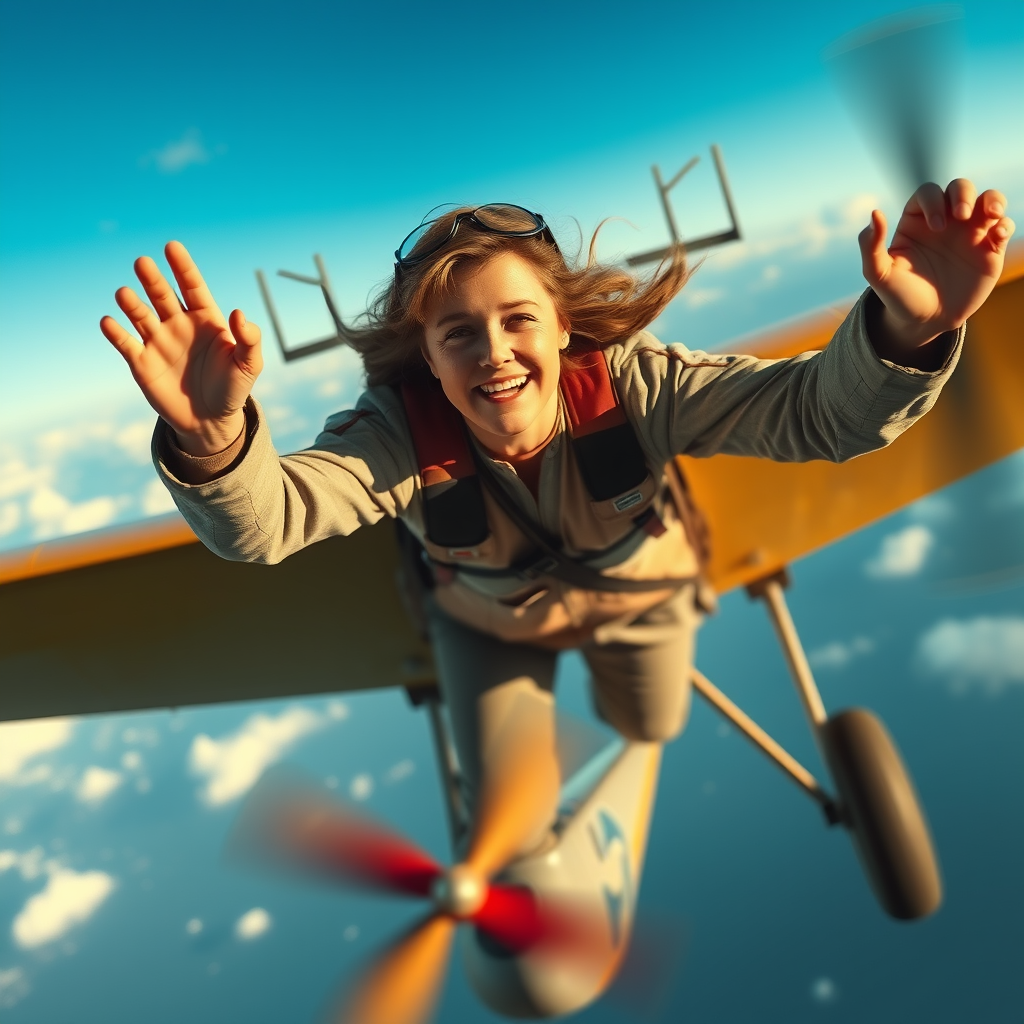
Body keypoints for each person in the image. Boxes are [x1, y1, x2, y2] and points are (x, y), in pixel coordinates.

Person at [101, 182, 1012, 858]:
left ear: (565, 328)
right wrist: (216, 440)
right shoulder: (393, 437)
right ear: (424, 356)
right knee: (506, 824)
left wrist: (906, 332)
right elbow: (268, 522)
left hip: (642, 596)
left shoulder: (633, 385)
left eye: (515, 320)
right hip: (486, 626)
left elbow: (819, 412)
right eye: (456, 333)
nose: (491, 354)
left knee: (652, 723)